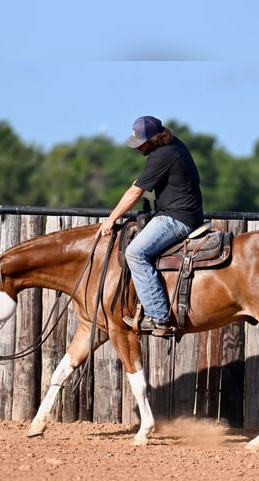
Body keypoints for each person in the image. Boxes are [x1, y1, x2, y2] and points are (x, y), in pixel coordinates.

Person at [97, 115, 204, 337]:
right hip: (183, 214)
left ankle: (159, 318)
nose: (138, 147)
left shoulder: (163, 155)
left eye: (141, 143)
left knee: (135, 253)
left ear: (153, 139)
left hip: (177, 219)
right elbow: (137, 184)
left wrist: (110, 220)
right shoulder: (173, 145)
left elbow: (136, 193)